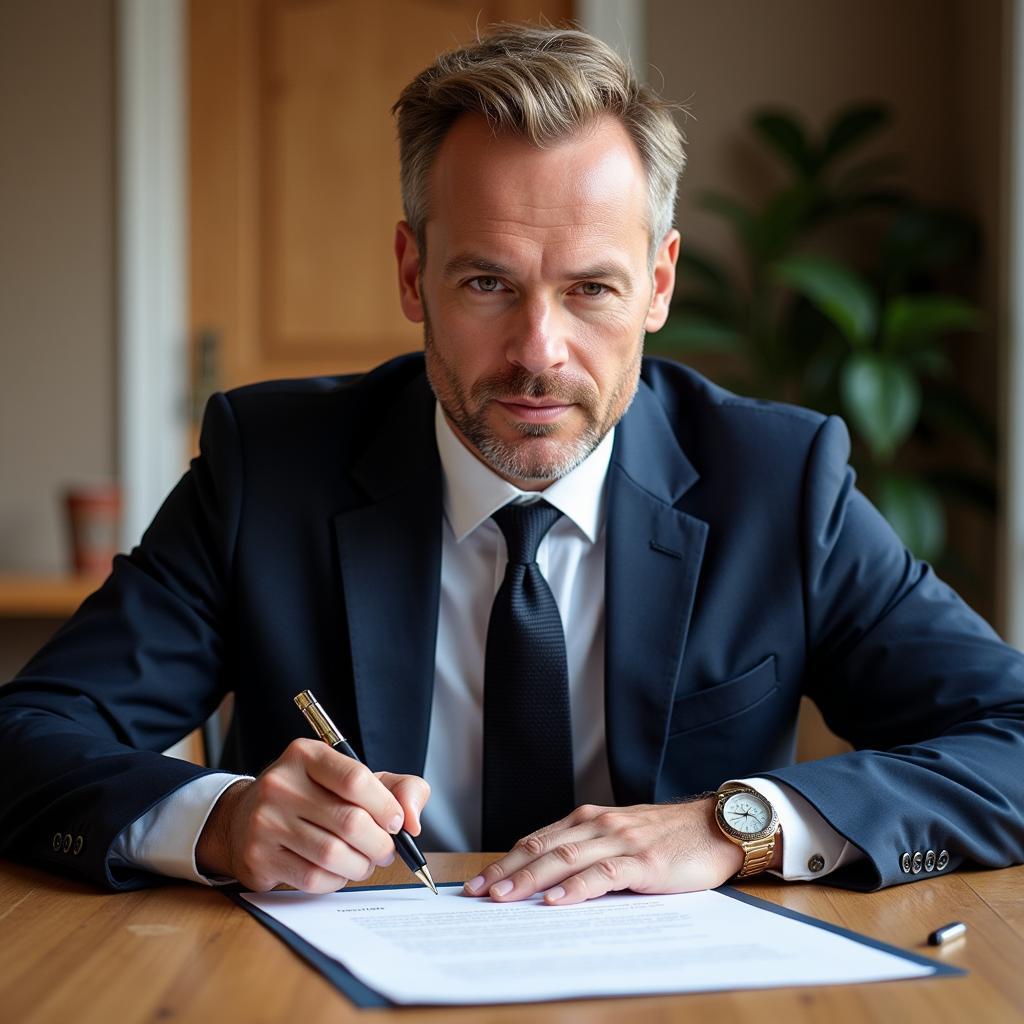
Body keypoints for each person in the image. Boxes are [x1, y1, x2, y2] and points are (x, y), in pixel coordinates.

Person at [2, 24, 1022, 904]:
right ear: (413, 273)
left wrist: (736, 824)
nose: (539, 350)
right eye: (489, 282)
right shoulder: (269, 468)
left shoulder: (779, 482)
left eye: (591, 290)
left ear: (659, 284)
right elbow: (29, 734)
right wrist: (221, 822)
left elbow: (1010, 733)